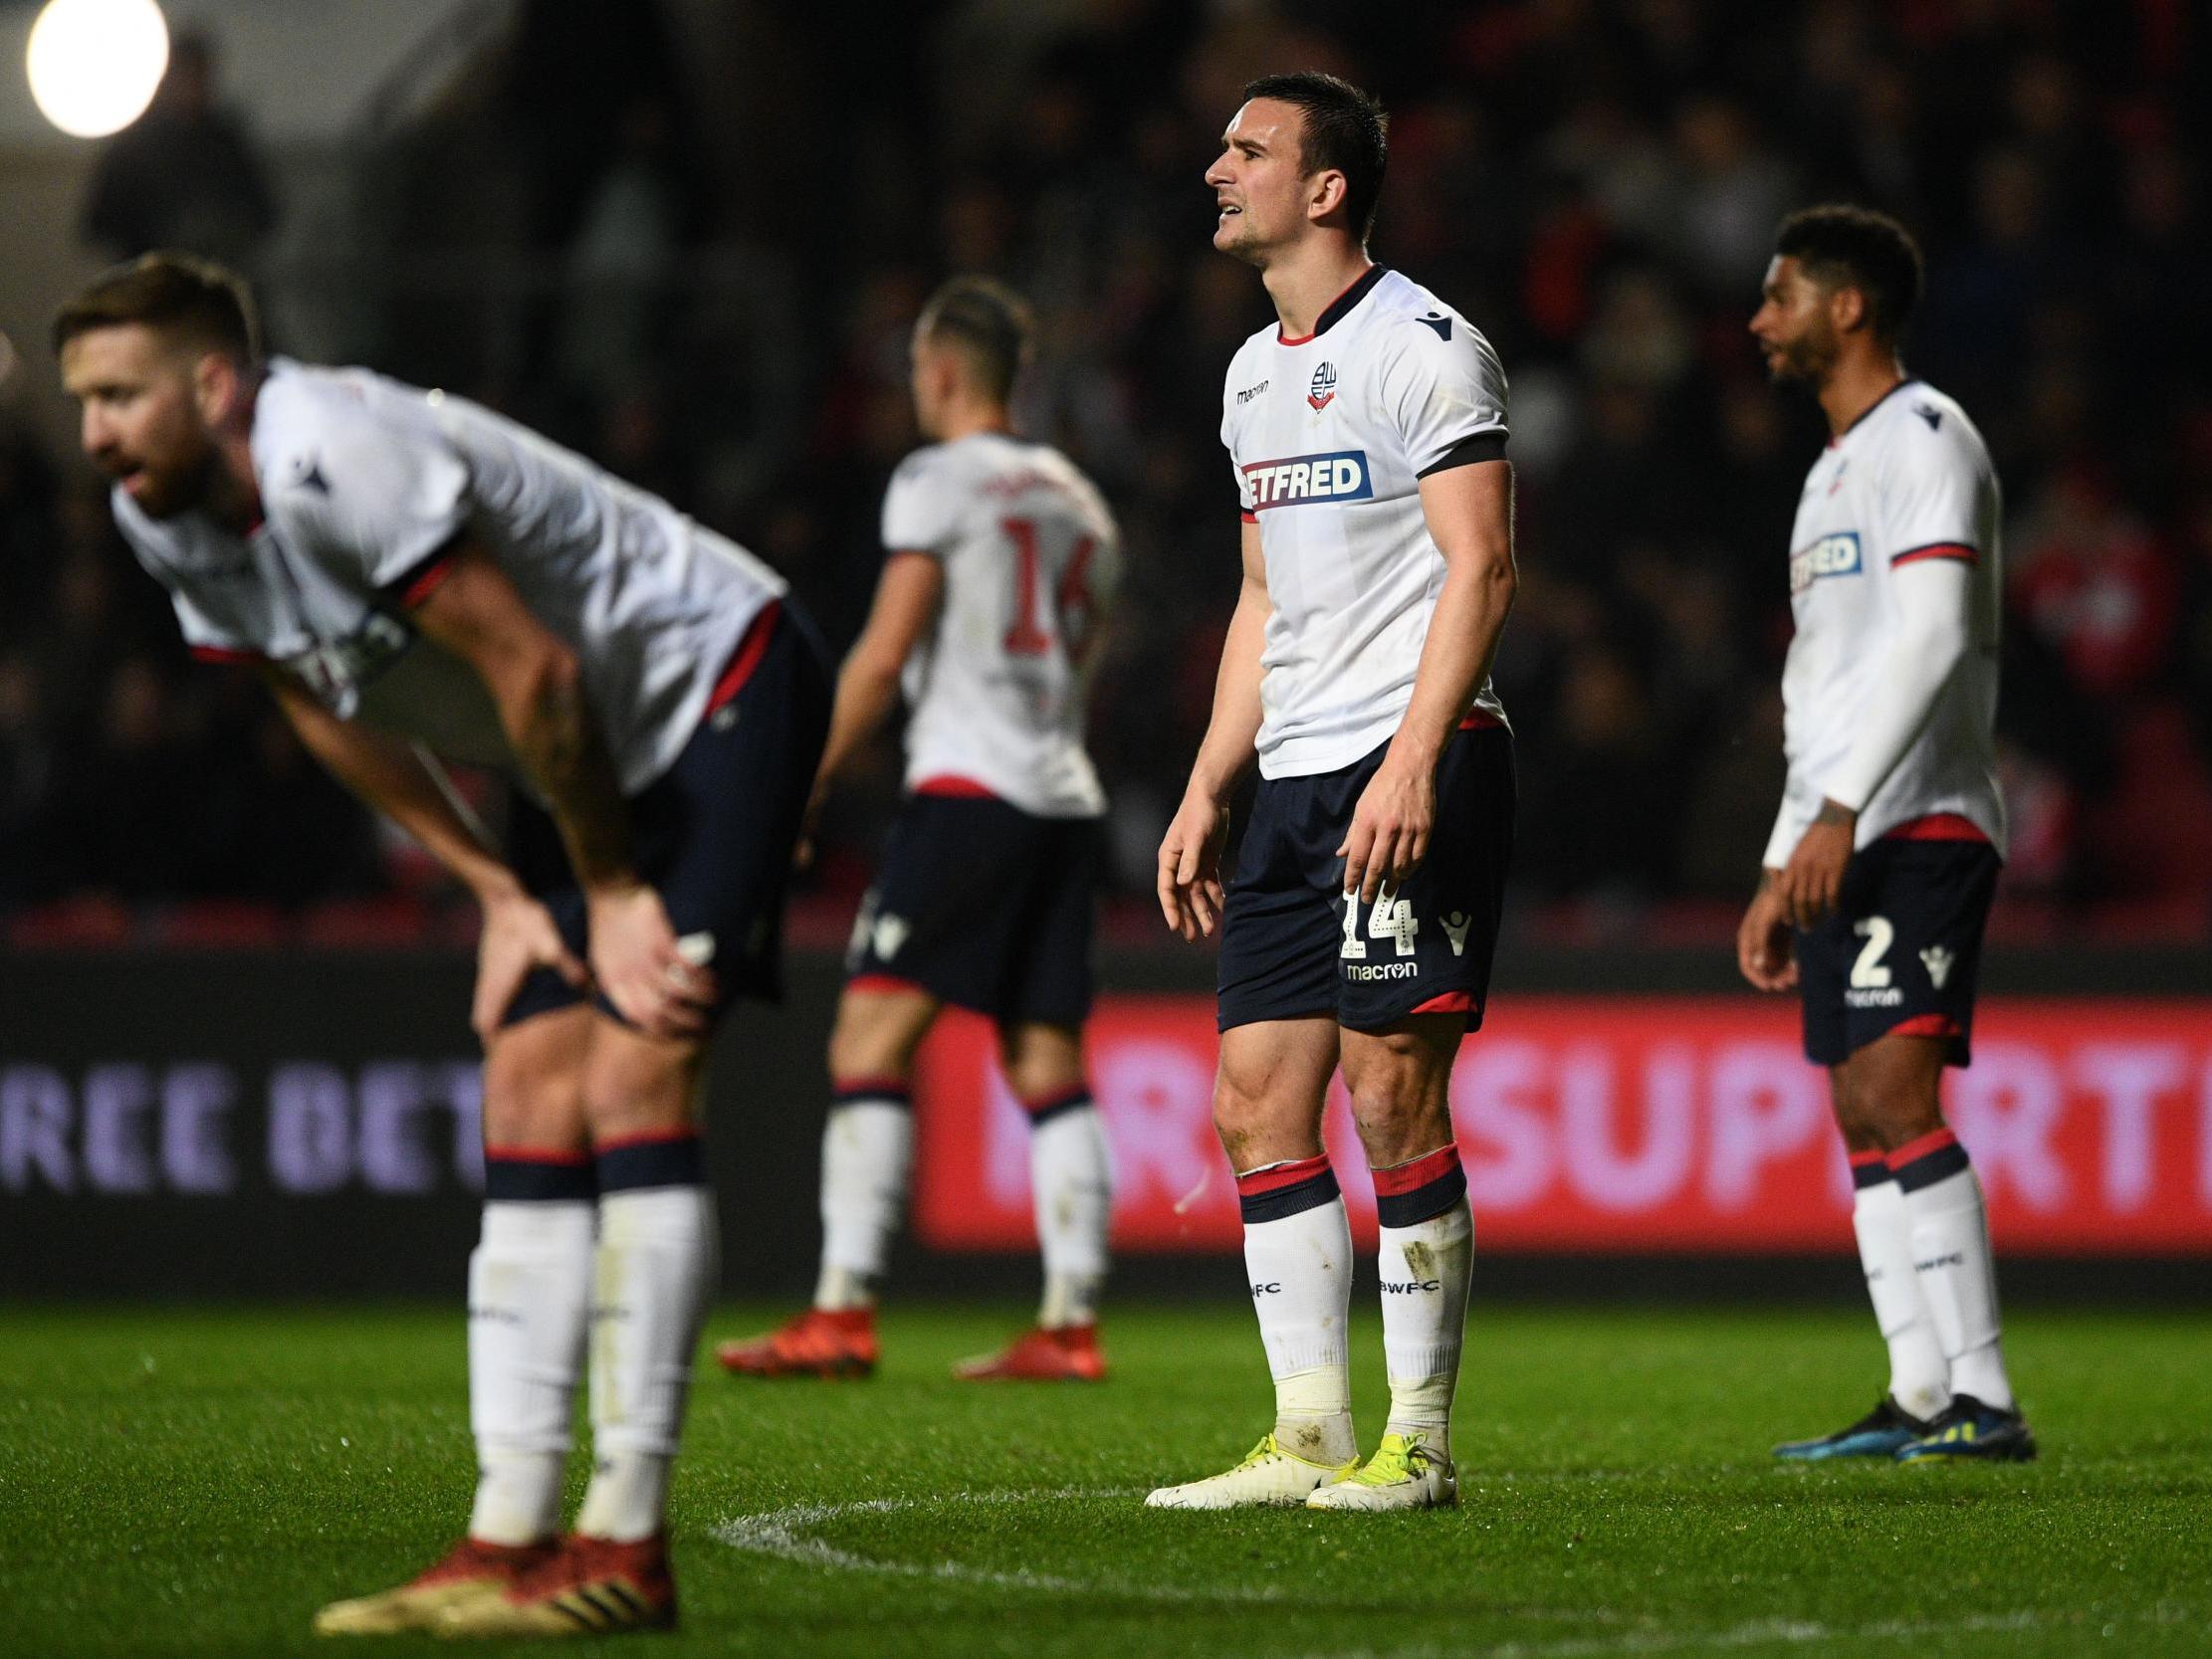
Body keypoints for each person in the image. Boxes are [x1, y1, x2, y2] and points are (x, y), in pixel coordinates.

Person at [54, 253, 830, 1635]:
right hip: (562, 758)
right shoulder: (161, 512)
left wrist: (607, 889)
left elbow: (538, 669)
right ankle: (504, 1534)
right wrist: (491, 887)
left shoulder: (330, 451)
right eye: (84, 400)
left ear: (215, 383)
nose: (95, 430)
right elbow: (317, 692)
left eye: (119, 395)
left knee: (635, 1072)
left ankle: (624, 1549)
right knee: (528, 1084)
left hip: (715, 680)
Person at [1151, 73, 1517, 1512]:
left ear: (1325, 189)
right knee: (1253, 1103)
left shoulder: (1427, 349)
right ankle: (1306, 1428)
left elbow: (1482, 567)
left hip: (1410, 761)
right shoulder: (1249, 373)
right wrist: (1204, 783)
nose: (1212, 169)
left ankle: (1416, 1439)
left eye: (1247, 150)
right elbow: (1259, 598)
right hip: (1295, 778)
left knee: (1389, 1088)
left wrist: (1414, 758)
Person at [717, 277, 1120, 1384]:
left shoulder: (936, 480)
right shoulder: (1080, 500)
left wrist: (795, 787)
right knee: (1045, 1058)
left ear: (940, 372)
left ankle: (842, 1308)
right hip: (1063, 795)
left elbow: (885, 653)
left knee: (866, 1040)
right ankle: (1071, 1318)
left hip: (966, 792)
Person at [1738, 205, 2035, 1464]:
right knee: (1857, 1108)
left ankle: (1984, 1397)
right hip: (1837, 826)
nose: (1758, 320)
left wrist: (1847, 810)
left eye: (1778, 294)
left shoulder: (1926, 438)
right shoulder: (1824, 474)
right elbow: (1825, 683)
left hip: (1918, 820)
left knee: (1894, 1090)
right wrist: (1778, 852)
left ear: (1844, 305)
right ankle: (1917, 1392)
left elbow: (1929, 636)